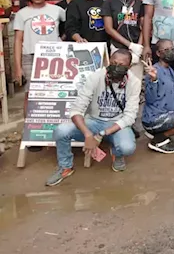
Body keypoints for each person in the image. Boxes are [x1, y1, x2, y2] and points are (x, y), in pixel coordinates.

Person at [45, 49, 141, 186]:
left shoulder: (134, 82)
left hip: (117, 124)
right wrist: (88, 134)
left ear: (129, 67)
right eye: (114, 63)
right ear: (108, 62)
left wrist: (102, 134)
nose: (116, 67)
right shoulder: (96, 77)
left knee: (127, 147)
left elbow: (130, 117)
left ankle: (116, 153)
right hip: (94, 121)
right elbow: (76, 110)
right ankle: (65, 166)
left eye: (121, 65)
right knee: (61, 130)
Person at [14, 0, 65, 89]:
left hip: (54, 55)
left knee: (53, 90)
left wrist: (61, 39)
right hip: (30, 56)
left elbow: (69, 27)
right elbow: (18, 40)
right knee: (31, 93)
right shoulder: (21, 14)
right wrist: (18, 67)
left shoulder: (57, 10)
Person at [102, 0, 144, 80]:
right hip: (117, 47)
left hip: (136, 48)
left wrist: (138, 48)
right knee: (117, 78)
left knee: (135, 80)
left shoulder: (139, 3)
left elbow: (144, 27)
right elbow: (108, 28)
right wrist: (129, 45)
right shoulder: (109, 2)